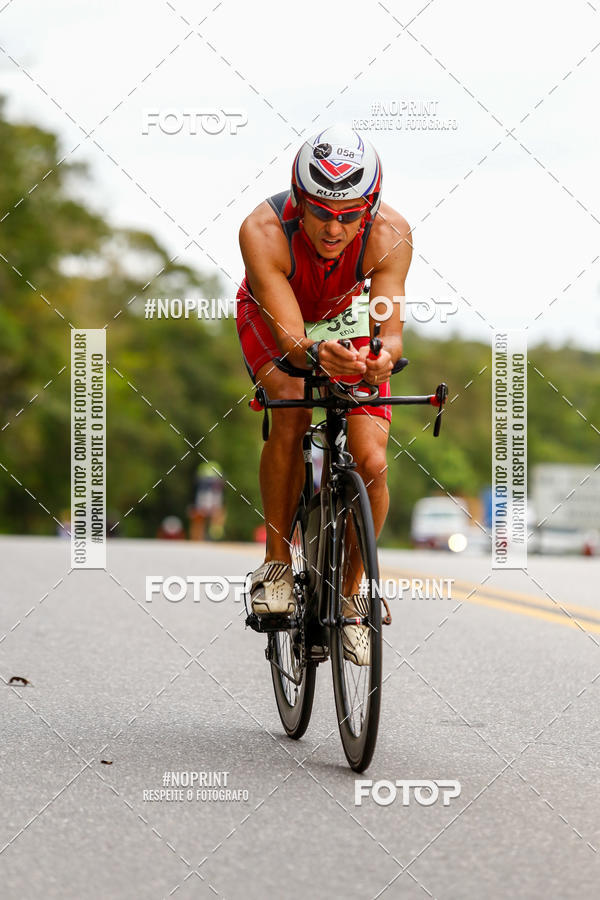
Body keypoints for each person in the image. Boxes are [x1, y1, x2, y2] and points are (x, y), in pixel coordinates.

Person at [236, 125, 411, 664]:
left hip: (346, 318)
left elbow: (390, 326)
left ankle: (351, 594)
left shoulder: (390, 234)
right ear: (297, 200)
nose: (334, 228)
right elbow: (292, 342)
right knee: (291, 405)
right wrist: (316, 356)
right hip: (276, 316)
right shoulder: (262, 230)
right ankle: (277, 566)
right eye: (319, 211)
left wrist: (379, 357)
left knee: (372, 456)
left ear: (370, 207)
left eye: (349, 213)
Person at [189, 461, 225, 541]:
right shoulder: (217, 479)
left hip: (204, 495)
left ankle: (201, 536)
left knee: (201, 517)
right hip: (211, 495)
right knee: (215, 514)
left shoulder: (201, 477)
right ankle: (214, 532)